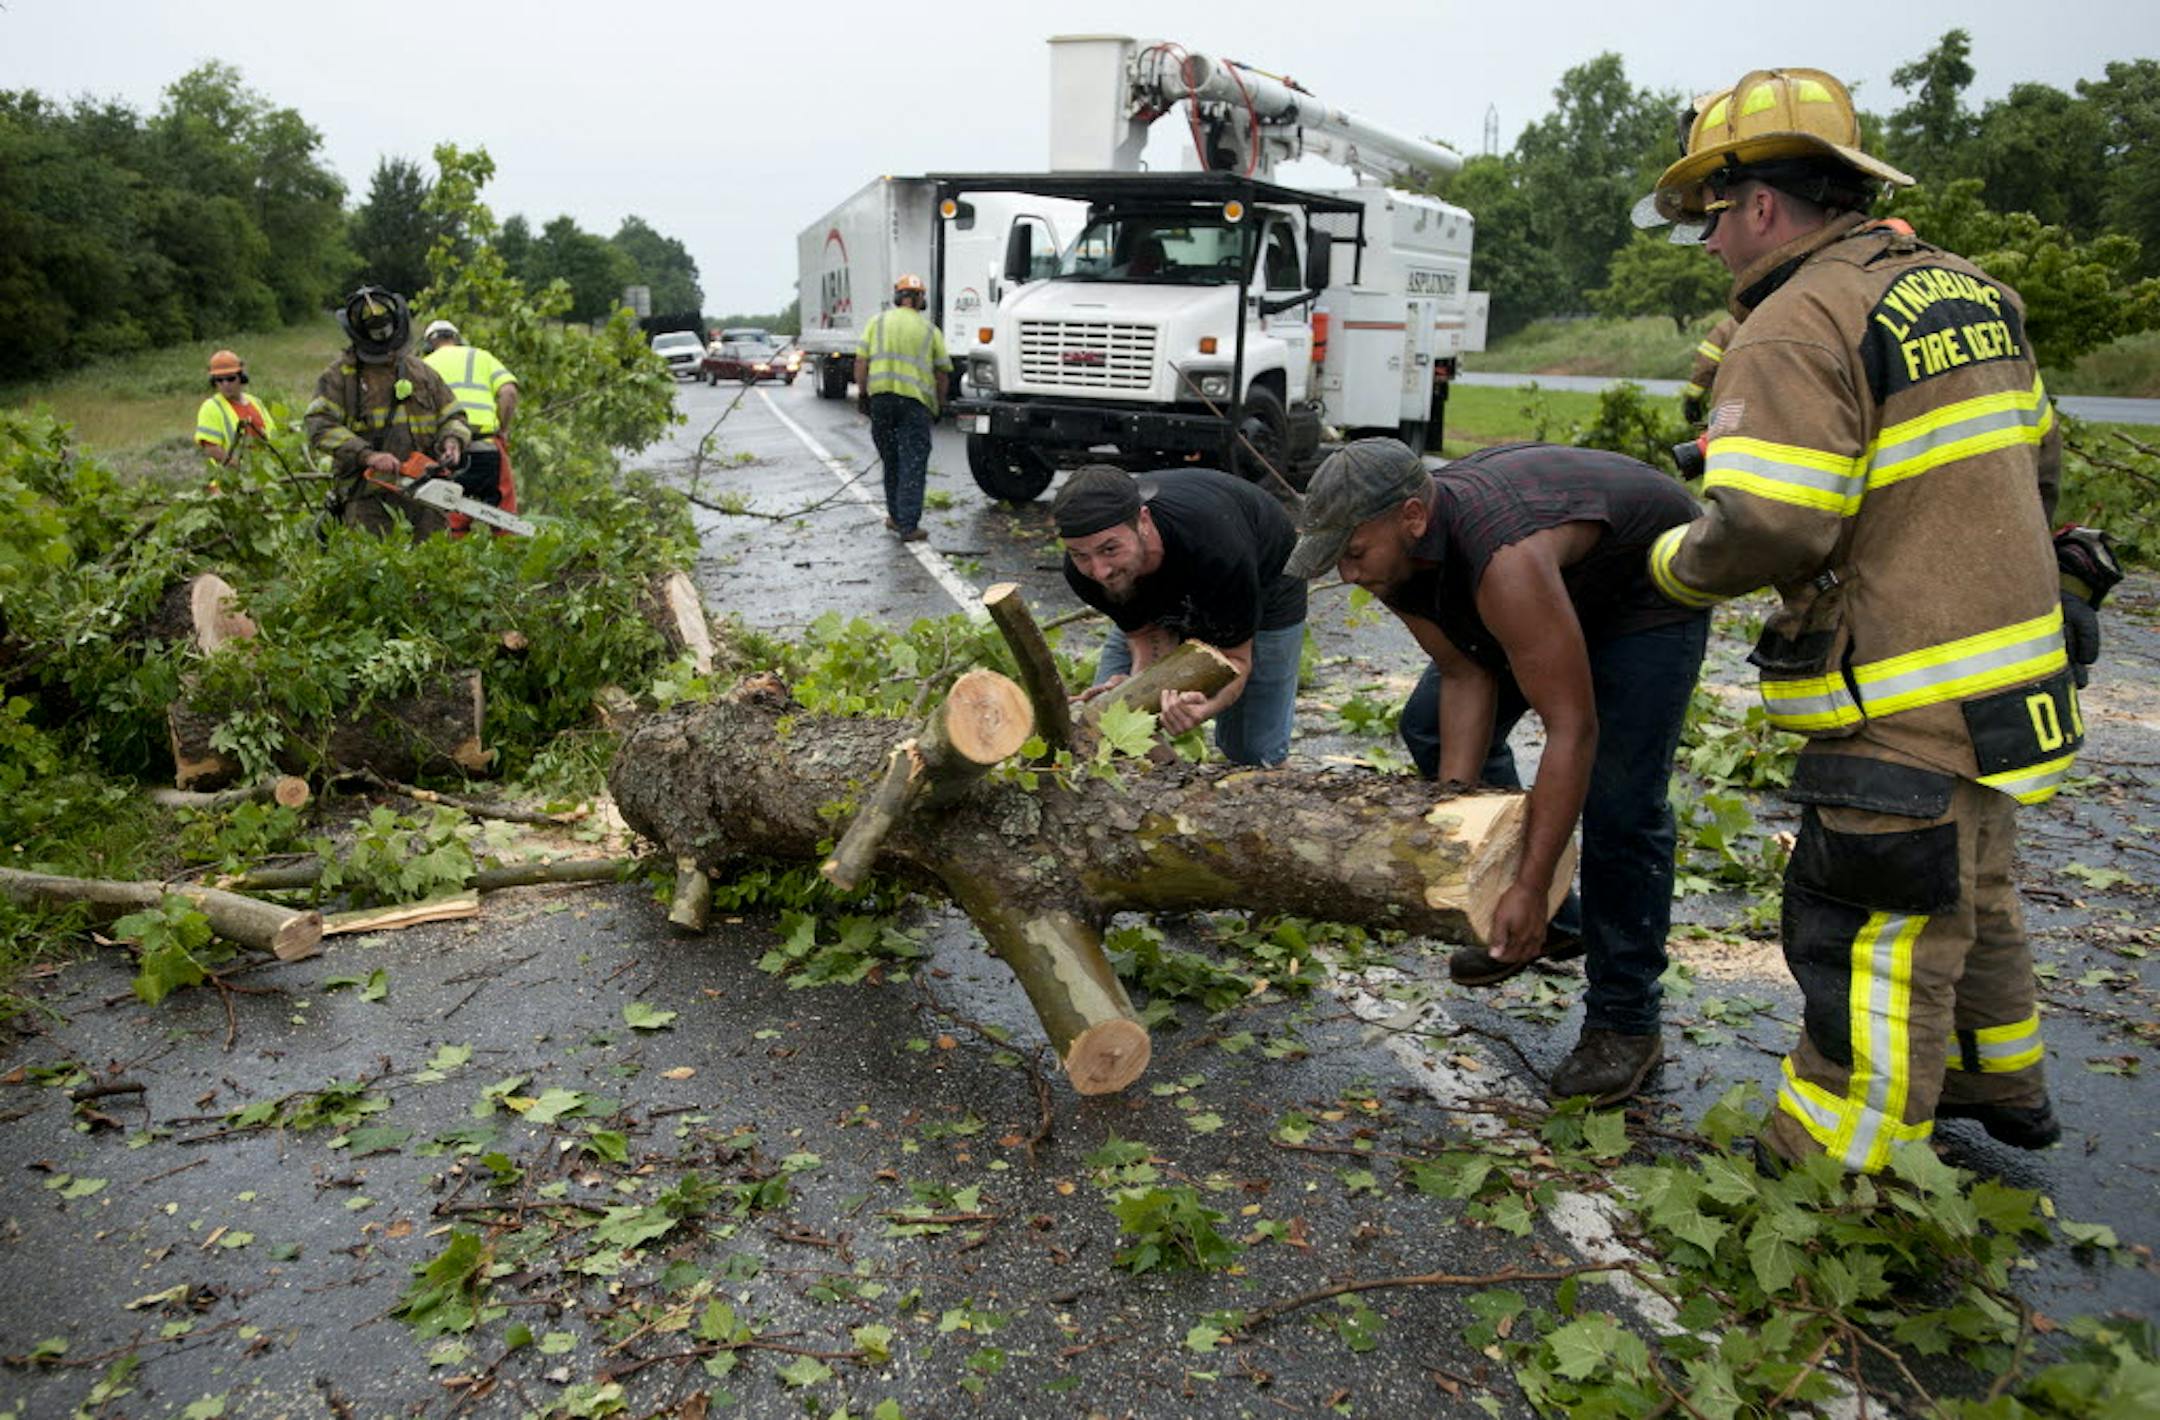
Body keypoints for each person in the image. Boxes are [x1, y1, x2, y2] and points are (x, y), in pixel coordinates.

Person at [1637, 68, 2082, 1171]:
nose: (1709, 247)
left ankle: (1836, 1167)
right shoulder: (1970, 290)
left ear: (1761, 206)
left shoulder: (1795, 323)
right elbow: (2042, 467)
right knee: (1970, 886)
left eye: (1710, 220)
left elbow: (1772, 523)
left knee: (1870, 935)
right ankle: (1997, 1077)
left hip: (1899, 688)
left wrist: (1675, 568)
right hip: (2013, 677)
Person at [1286, 438, 1708, 1104]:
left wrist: (1530, 878)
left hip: (1642, 591)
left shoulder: (1502, 559)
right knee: (1427, 723)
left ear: (1413, 518)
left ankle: (1625, 1022)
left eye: (1354, 554)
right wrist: (1460, 838)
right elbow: (1465, 671)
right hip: (1547, 589)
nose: (1347, 575)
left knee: (1620, 805)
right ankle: (1547, 919)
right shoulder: (1393, 559)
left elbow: (1572, 728)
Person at [1056, 464, 1306, 767]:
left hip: (1264, 577)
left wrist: (1203, 709)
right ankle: (1176, 786)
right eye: (1081, 555)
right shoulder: (1086, 573)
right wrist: (1131, 689)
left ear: (1143, 521)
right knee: (1105, 728)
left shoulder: (1220, 551)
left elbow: (1236, 662)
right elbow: (1145, 637)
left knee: (1252, 751)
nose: (1100, 571)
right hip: (1163, 587)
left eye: (1110, 549)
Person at [303, 287, 470, 538]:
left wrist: (452, 441)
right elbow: (319, 425)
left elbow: (453, 415)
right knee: (372, 568)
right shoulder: (340, 377)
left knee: (433, 568)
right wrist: (367, 455)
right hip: (369, 499)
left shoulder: (422, 373)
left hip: (427, 497)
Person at [853, 273, 947, 542]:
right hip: (914, 404)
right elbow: (942, 374)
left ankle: (895, 517)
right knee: (912, 462)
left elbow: (861, 362)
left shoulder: (877, 323)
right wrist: (939, 405)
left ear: (897, 297)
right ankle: (908, 525)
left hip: (881, 402)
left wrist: (862, 394)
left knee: (891, 459)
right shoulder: (929, 330)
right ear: (920, 300)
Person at [421, 318, 520, 532]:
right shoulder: (481, 356)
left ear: (429, 344)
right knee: (504, 517)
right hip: (486, 445)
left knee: (448, 515)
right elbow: (509, 392)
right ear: (457, 339)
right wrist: (502, 429)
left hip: (445, 452)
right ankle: (511, 558)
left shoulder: (423, 365)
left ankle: (456, 562)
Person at [195, 349, 269, 469]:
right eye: (220, 380)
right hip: (229, 481)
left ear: (241, 378)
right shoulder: (211, 407)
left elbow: (272, 435)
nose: (225, 384)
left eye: (230, 379)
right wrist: (240, 469)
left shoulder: (256, 403)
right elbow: (212, 449)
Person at [1679, 314, 1736, 427]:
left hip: (1732, 407)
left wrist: (1692, 399)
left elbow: (1705, 367)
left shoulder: (1729, 328)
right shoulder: (1779, 323)